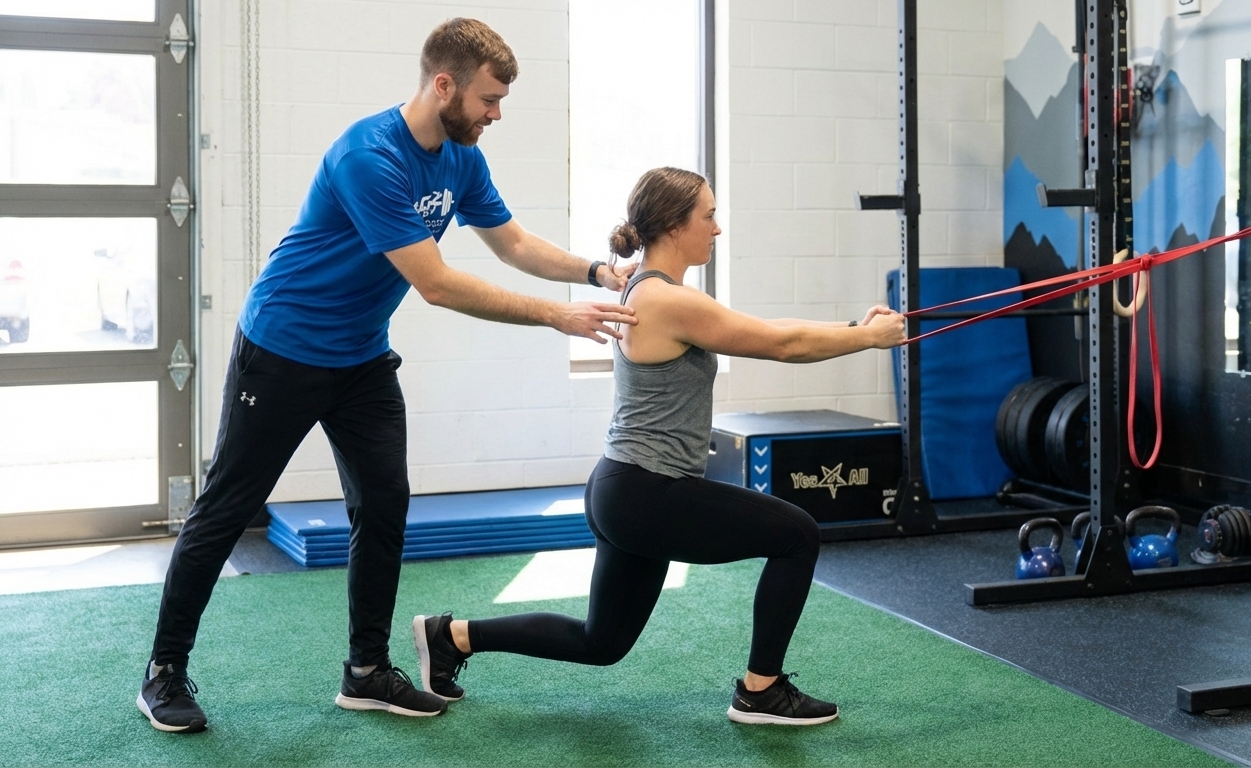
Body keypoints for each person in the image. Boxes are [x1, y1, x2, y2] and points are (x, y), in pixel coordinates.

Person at [138, 18, 639, 733]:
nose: (496, 114)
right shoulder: (369, 156)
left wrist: (595, 270)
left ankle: (366, 670)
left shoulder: (460, 157)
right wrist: (557, 318)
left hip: (361, 358)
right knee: (223, 512)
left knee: (385, 505)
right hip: (282, 350)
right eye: (489, 99)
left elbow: (514, 242)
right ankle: (163, 670)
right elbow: (435, 284)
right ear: (445, 85)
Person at [412, 167, 906, 726]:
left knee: (603, 642)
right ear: (673, 226)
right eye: (709, 216)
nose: (717, 229)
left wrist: (853, 327)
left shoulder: (648, 289)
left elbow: (770, 330)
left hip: (622, 488)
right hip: (648, 492)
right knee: (798, 535)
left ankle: (451, 637)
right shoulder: (667, 301)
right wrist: (866, 339)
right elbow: (780, 344)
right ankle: (761, 691)